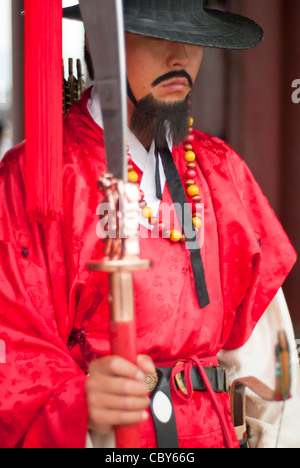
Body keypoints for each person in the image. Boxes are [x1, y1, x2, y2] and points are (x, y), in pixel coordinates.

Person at [0, 0, 299, 449]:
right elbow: (15, 349)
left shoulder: (221, 170)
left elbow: (267, 367)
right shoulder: (38, 176)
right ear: (104, 43)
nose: (180, 57)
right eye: (157, 36)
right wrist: (76, 403)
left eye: (191, 39)